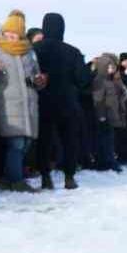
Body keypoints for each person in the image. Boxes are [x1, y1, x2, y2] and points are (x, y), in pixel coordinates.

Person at [0, 9, 39, 190]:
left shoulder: (30, 54)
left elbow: (36, 76)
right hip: (5, 105)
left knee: (25, 143)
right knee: (16, 143)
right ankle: (16, 180)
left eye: (15, 34)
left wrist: (39, 81)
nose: (11, 37)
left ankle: (6, 177)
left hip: (28, 104)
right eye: (9, 33)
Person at [33, 11, 89, 184]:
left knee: (44, 140)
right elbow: (83, 80)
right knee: (69, 140)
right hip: (67, 102)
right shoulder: (73, 52)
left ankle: (45, 176)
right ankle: (69, 176)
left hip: (43, 101)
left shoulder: (35, 49)